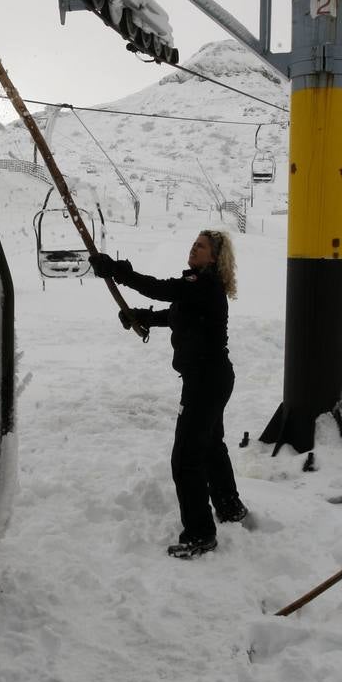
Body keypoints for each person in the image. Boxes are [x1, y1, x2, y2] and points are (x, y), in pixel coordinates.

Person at [90, 230, 247, 559]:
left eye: (201, 246)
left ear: (214, 258)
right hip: (211, 378)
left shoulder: (203, 285)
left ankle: (201, 533)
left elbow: (162, 289)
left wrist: (119, 271)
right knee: (210, 446)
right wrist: (142, 317)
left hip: (207, 381)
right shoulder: (196, 285)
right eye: (194, 243)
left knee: (186, 458)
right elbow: (176, 314)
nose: (194, 247)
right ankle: (230, 508)